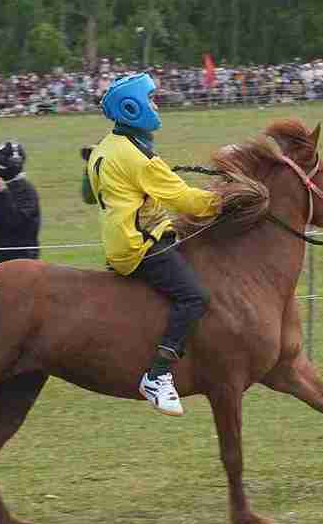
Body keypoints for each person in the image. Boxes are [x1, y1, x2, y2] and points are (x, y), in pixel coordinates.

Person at [85, 72, 221, 416]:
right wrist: (226, 201)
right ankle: (157, 376)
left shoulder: (104, 148)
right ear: (132, 109)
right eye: (150, 100)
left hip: (121, 240)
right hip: (139, 246)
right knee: (194, 297)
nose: (156, 105)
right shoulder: (138, 159)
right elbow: (184, 200)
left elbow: (88, 193)